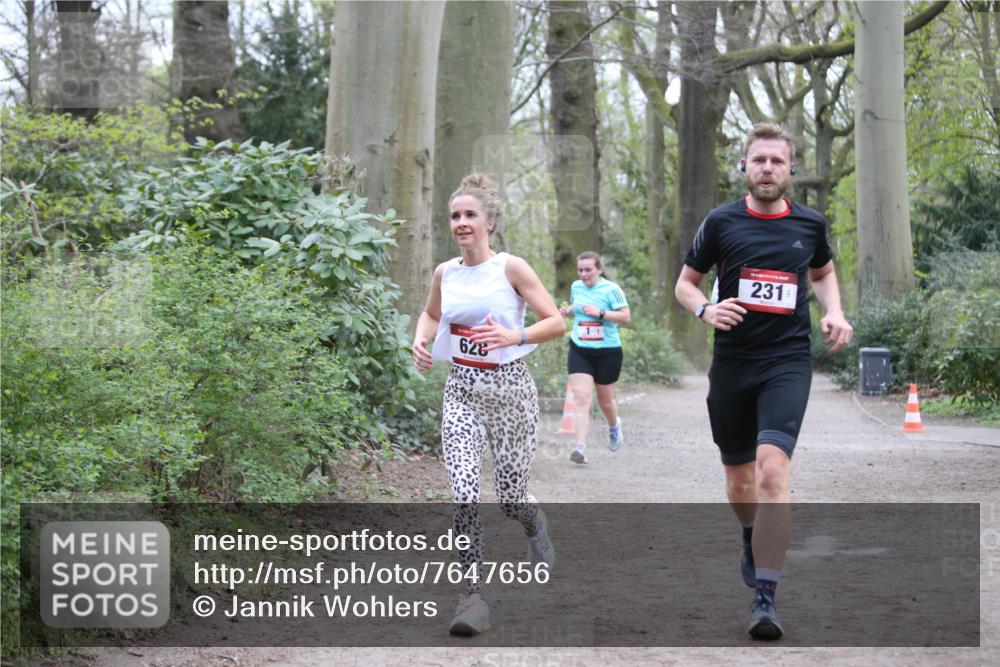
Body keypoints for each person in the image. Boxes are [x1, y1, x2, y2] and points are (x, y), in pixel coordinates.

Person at [674, 123, 853, 640]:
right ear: (744, 167)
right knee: (740, 481)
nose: (768, 168)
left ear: (790, 169)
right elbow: (686, 284)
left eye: (777, 160)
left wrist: (834, 312)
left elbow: (821, 273)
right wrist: (706, 309)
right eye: (759, 160)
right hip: (733, 364)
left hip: (787, 361)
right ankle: (750, 533)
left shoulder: (811, 224)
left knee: (773, 470)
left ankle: (766, 597)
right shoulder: (721, 222)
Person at [412, 173, 566, 637]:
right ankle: (472, 597)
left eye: (470, 215)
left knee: (511, 496)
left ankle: (534, 523)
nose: (461, 223)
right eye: (455, 216)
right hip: (461, 390)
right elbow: (432, 314)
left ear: (490, 222)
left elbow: (556, 322)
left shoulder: (511, 269)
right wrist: (420, 341)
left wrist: (513, 335)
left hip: (511, 392)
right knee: (463, 490)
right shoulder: (446, 272)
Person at [558, 251, 631, 464]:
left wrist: (600, 313)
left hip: (608, 351)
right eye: (580, 270)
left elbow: (625, 317)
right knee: (581, 397)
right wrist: (569, 311)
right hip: (580, 348)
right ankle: (580, 446)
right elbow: (579, 309)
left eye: (588, 270)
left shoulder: (612, 289)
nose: (583, 274)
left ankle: (614, 426)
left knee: (605, 401)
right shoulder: (576, 287)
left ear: (599, 269)